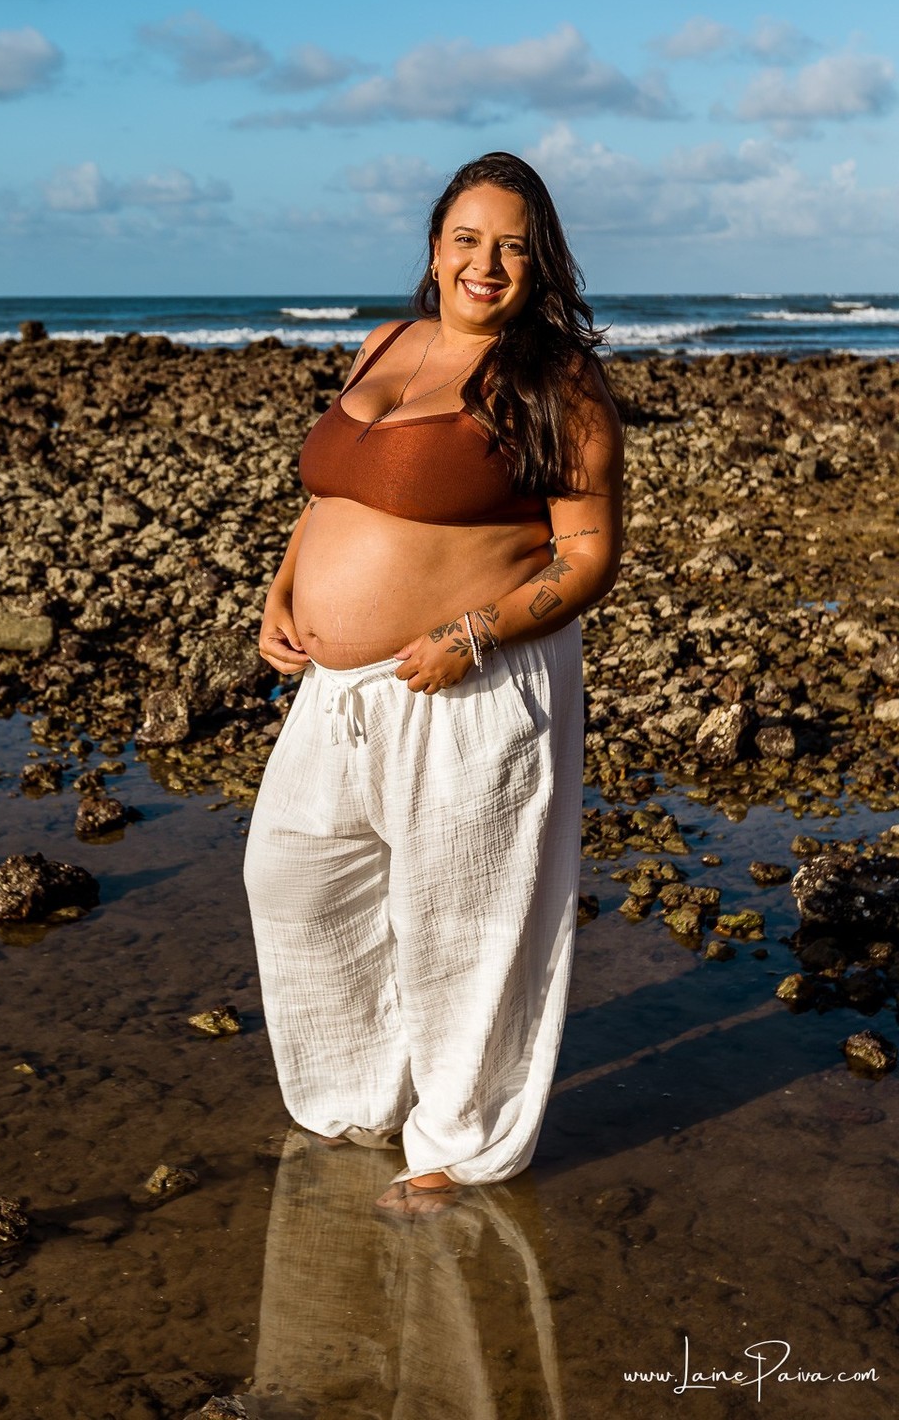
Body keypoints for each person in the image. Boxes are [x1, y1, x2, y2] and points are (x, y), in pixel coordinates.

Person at [243, 150, 623, 1214]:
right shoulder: (387, 342)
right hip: (337, 690)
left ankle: (461, 1143)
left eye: (510, 245)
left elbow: (587, 556)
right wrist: (284, 589)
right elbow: (331, 494)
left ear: (538, 264)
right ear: (434, 249)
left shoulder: (559, 384)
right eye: (467, 239)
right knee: (294, 879)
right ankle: (363, 1097)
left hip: (466, 689)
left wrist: (476, 634)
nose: (485, 263)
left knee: (467, 920)